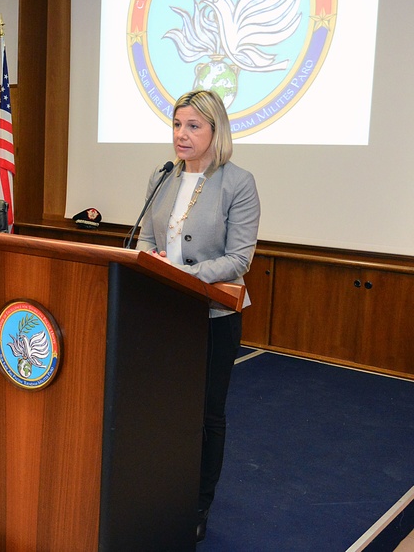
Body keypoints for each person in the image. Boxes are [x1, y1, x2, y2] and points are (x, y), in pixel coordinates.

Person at [135, 89, 260, 543]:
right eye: (176, 124)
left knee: (207, 415)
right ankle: (160, 488)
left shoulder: (238, 182)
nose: (181, 135)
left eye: (193, 126)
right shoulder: (162, 175)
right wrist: (151, 261)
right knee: (161, 408)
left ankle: (198, 502)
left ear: (215, 131)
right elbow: (146, 237)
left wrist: (182, 272)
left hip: (212, 316)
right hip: (163, 315)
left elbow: (238, 259)